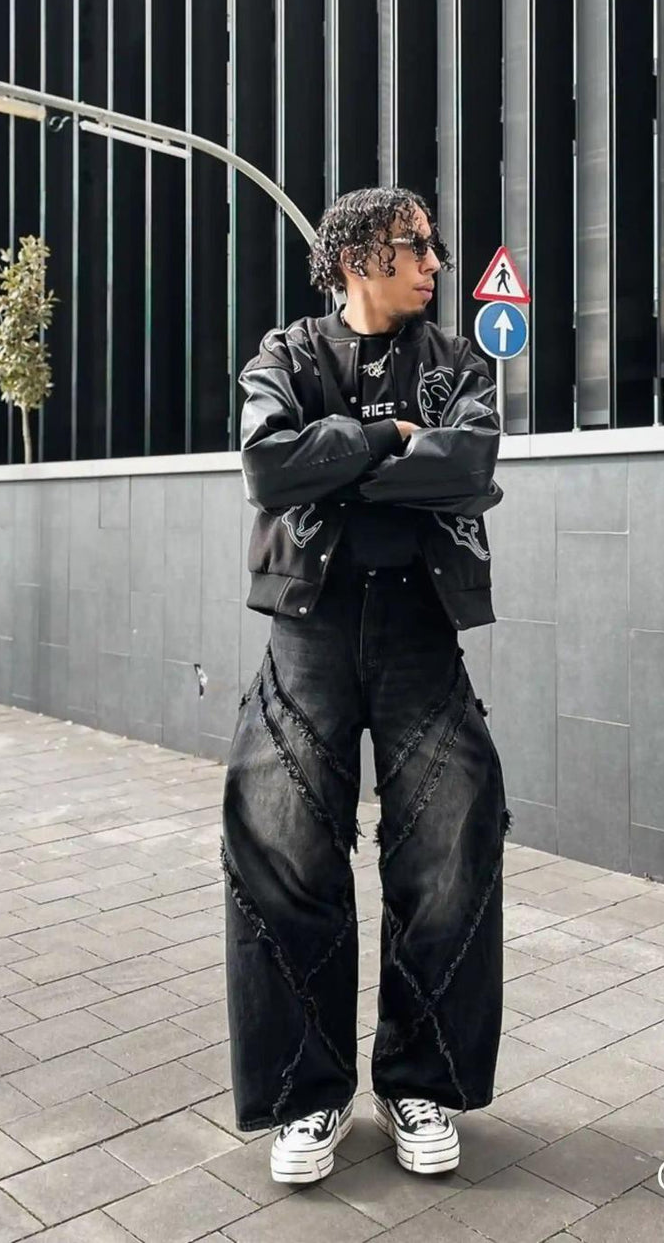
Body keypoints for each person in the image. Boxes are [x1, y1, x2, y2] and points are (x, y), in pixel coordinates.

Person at [220, 186, 510, 1186]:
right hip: (308, 627)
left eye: (433, 245)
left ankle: (417, 1077)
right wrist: (385, 439)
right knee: (281, 849)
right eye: (414, 247)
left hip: (421, 631)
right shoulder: (284, 357)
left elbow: (468, 466)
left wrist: (338, 455)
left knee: (450, 844)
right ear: (354, 257)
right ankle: (309, 1094)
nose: (433, 263)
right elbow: (268, 468)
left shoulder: (458, 363)